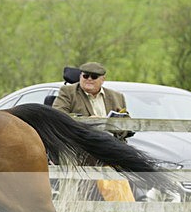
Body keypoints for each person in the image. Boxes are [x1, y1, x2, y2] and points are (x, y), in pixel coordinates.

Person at [52, 61, 135, 202]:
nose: (89, 79)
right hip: (82, 145)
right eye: (85, 75)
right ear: (80, 77)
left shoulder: (116, 96)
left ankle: (131, 208)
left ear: (103, 79)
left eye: (94, 76)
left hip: (111, 145)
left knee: (135, 165)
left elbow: (126, 126)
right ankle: (125, 211)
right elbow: (57, 116)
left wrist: (115, 124)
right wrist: (88, 121)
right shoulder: (68, 92)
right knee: (108, 172)